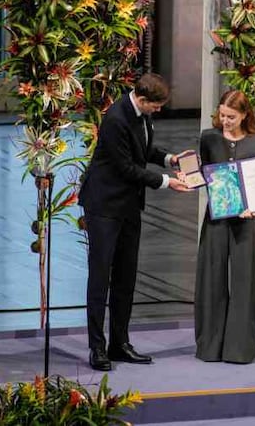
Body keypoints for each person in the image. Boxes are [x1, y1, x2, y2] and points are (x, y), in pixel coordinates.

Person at [78, 73, 189, 371]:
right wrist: (167, 182)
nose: (159, 110)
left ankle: (119, 343)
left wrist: (170, 160)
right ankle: (97, 348)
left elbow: (144, 149)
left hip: (128, 206)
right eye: (157, 105)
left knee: (126, 277)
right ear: (142, 99)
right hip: (104, 206)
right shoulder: (115, 119)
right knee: (100, 278)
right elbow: (126, 167)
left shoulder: (141, 115)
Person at [192, 90, 255, 363]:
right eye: (222, 115)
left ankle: (240, 348)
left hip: (245, 220)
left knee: (243, 279)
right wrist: (190, 177)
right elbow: (203, 172)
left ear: (245, 115)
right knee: (211, 277)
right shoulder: (209, 138)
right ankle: (210, 345)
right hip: (217, 216)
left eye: (231, 117)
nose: (224, 120)